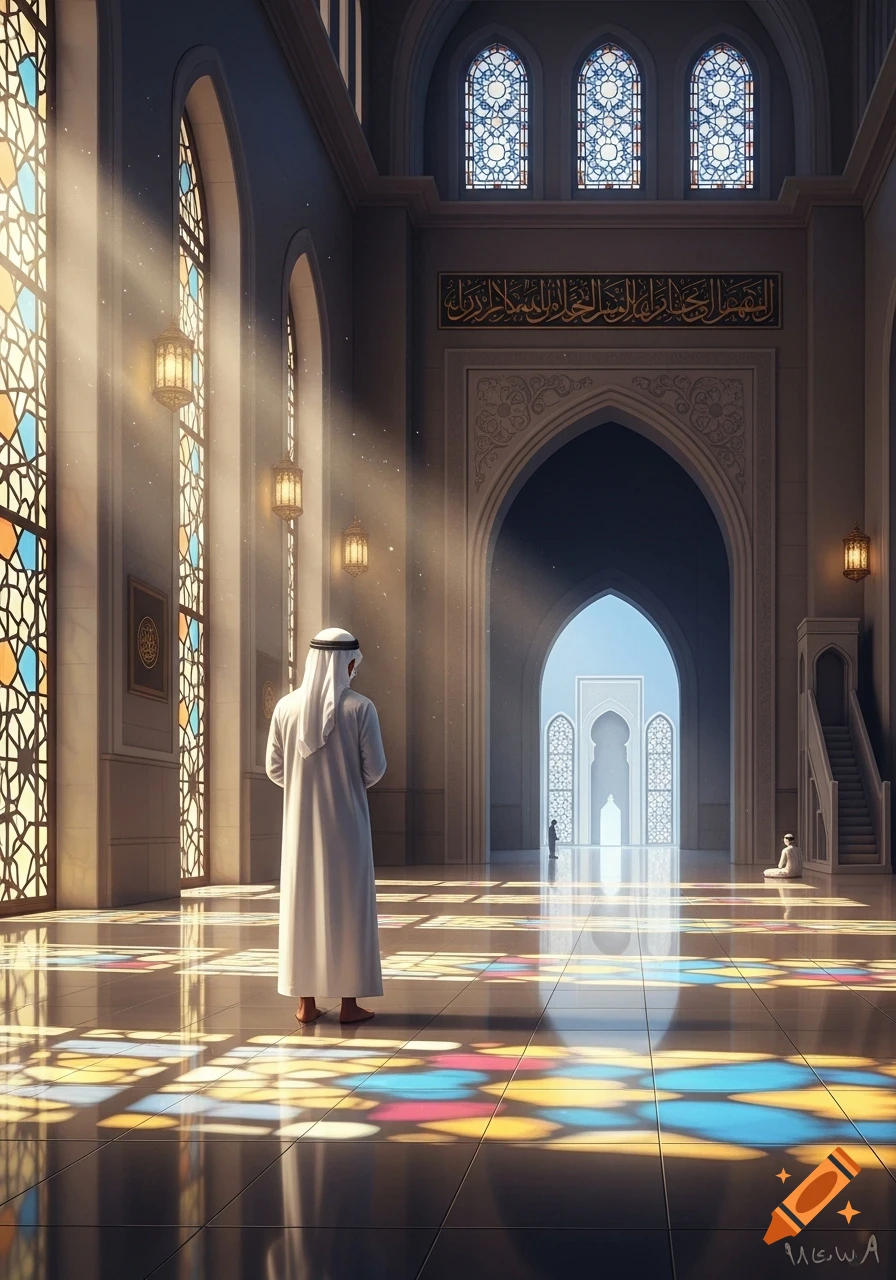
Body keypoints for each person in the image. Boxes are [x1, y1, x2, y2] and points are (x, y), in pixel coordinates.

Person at [266, 627, 387, 1024]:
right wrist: (345, 785)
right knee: (348, 909)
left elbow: (274, 768)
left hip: (300, 827)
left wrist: (305, 788)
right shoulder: (361, 707)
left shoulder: (285, 708)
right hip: (348, 826)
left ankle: (305, 1003)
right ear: (348, 664)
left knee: (302, 906)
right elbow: (376, 769)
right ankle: (349, 1006)